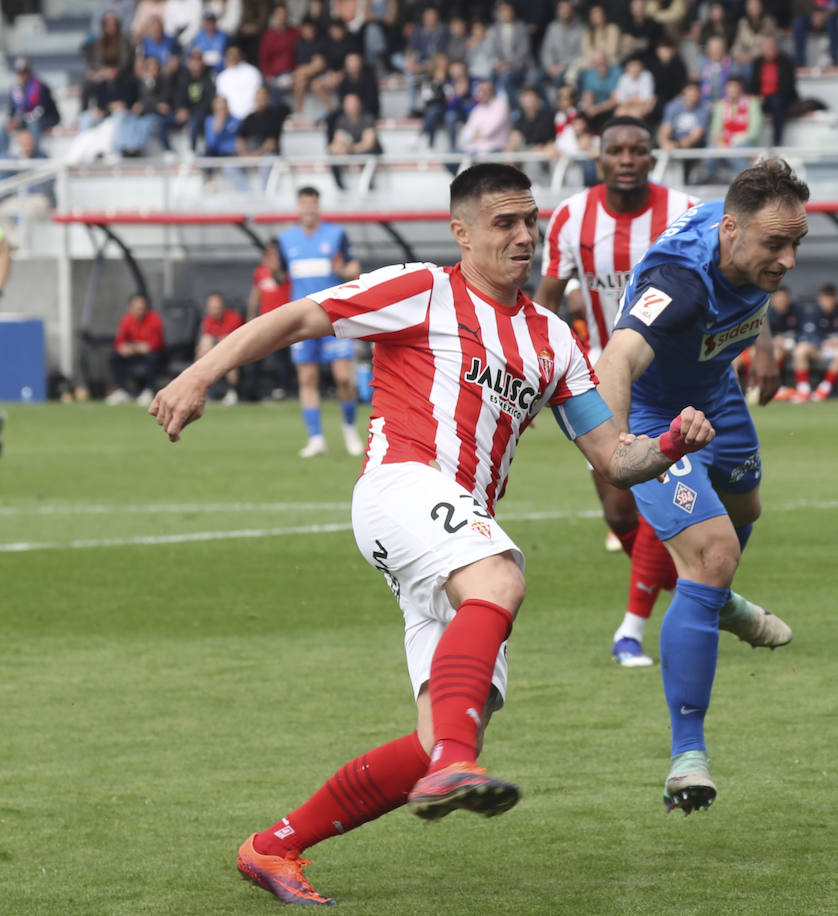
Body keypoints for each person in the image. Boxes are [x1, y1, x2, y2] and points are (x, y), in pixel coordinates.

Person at [148, 163, 716, 907]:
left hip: (453, 532)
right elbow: (298, 317)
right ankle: (452, 763)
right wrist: (199, 375)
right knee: (502, 579)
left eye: (529, 220)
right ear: (463, 232)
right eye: (503, 223)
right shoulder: (421, 289)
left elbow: (613, 459)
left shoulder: (555, 339)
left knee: (443, 731)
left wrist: (670, 443)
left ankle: (276, 846)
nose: (523, 236)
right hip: (401, 487)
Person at [594, 159, 805, 814]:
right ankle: (688, 756)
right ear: (732, 230)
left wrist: (762, 348)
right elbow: (616, 357)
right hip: (662, 416)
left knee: (747, 510)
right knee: (712, 555)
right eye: (776, 245)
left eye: (798, 243)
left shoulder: (746, 236)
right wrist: (621, 446)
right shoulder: (678, 280)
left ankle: (720, 602)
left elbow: (752, 293)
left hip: (717, 390)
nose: (789, 259)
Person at [537, 116, 706, 667]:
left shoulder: (684, 211)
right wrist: (532, 374)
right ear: (600, 158)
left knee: (656, 499)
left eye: (638, 150)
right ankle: (696, 600)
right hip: (596, 378)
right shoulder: (570, 217)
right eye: (617, 150)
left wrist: (765, 346)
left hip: (668, 378)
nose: (627, 159)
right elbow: (547, 303)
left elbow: (736, 277)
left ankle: (631, 629)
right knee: (618, 510)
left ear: (653, 158)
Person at [278, 185, 365, 455]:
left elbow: (354, 268)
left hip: (332, 316)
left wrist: (343, 270)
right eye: (303, 203)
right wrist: (274, 272)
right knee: (307, 378)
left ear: (318, 206)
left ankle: (349, 429)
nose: (308, 209)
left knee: (343, 378)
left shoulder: (336, 235)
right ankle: (316, 438)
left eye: (312, 203)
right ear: (298, 207)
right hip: (301, 321)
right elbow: (282, 275)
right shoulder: (286, 239)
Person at [790, 282, 838, 402]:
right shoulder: (814, 313)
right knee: (800, 350)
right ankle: (803, 390)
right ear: (820, 299)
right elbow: (808, 333)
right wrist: (821, 343)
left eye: (830, 299)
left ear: (835, 299)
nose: (827, 302)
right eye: (824, 299)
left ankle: (824, 389)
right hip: (820, 349)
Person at [246, 240, 292, 400]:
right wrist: (251, 315)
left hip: (284, 318)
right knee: (257, 353)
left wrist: (274, 269)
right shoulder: (260, 272)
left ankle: (283, 388)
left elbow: (280, 279)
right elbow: (255, 295)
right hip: (264, 319)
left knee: (283, 357)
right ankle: (252, 389)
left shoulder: (286, 270)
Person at [107, 292, 164, 405]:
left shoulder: (155, 319)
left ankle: (149, 391)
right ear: (131, 308)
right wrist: (124, 348)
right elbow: (119, 341)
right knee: (114, 357)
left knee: (152, 357)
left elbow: (156, 343)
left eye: (142, 308)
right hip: (134, 354)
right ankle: (121, 390)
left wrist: (141, 347)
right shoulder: (127, 320)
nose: (140, 310)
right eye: (137, 308)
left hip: (152, 354)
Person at [196, 291, 245, 404]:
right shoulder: (207, 321)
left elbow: (236, 341)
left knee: (229, 359)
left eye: (217, 307)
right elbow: (206, 341)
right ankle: (203, 391)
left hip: (234, 353)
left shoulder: (234, 318)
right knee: (203, 348)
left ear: (223, 307)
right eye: (212, 308)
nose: (215, 311)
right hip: (215, 354)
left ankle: (233, 392)